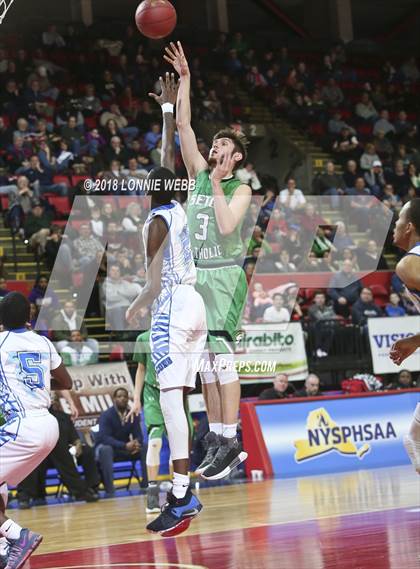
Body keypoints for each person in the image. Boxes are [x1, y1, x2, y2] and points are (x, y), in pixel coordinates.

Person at [125, 69, 208, 537]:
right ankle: (181, 489)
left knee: (172, 402)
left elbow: (154, 286)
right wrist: (166, 110)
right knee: (179, 400)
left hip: (172, 309)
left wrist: (136, 307)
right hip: (195, 305)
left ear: (147, 192)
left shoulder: (154, 223)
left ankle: (181, 493)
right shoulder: (175, 205)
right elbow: (164, 160)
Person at [165, 42, 250, 480]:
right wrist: (185, 79)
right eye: (214, 142)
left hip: (224, 277)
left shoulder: (238, 187)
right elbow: (183, 122)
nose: (215, 146)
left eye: (224, 145)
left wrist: (216, 183)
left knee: (222, 359)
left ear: (235, 158)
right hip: (198, 278)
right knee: (206, 366)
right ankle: (218, 438)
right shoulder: (197, 170)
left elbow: (229, 226)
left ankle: (232, 439)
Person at [0, 292, 72, 568]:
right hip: (48, 424)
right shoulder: (43, 341)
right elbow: (65, 381)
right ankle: (4, 547)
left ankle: (17, 537)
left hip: (24, 425)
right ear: (30, 316)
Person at [129, 329, 194, 514]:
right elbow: (141, 369)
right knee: (155, 441)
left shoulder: (179, 336)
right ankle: (152, 492)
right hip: (152, 392)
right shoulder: (143, 338)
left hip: (175, 391)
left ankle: (179, 491)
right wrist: (136, 399)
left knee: (179, 443)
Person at [17, 393, 100, 508]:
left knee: (66, 452)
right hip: (40, 453)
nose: (53, 401)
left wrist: (78, 443)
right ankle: (24, 496)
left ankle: (82, 491)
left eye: (55, 398)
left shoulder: (64, 417)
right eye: (51, 398)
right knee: (32, 458)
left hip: (60, 454)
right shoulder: (31, 416)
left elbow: (75, 438)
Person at [388, 198, 420, 474]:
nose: (394, 226)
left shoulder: (409, 264)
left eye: (398, 220)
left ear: (409, 227)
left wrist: (413, 341)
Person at [95, 387, 147, 498]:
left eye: (125, 396)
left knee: (145, 447)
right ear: (114, 399)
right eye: (119, 396)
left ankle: (146, 484)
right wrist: (124, 445)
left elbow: (138, 434)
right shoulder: (106, 415)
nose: (122, 399)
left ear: (128, 399)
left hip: (126, 449)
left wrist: (136, 443)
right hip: (111, 449)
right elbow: (104, 437)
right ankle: (110, 489)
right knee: (105, 449)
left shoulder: (132, 414)